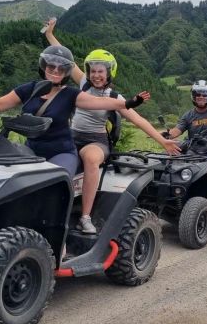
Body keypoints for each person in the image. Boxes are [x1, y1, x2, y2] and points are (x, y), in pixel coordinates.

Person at [44, 18, 180, 233]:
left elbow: (139, 119)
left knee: (90, 159)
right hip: (70, 136)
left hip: (95, 141)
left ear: (109, 73)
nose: (96, 75)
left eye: (101, 71)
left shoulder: (114, 97)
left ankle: (85, 217)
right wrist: (50, 35)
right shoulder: (83, 83)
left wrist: (162, 141)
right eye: (93, 71)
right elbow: (64, 55)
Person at [0, 44, 144, 182]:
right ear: (44, 67)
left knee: (55, 182)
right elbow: (0, 102)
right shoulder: (30, 88)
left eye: (61, 68)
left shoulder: (70, 94)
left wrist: (128, 103)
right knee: (7, 178)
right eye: (51, 66)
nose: (55, 71)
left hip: (61, 152)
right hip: (32, 149)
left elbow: (100, 101)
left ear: (66, 72)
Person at [161, 80, 207, 215]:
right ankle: (170, 193)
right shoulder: (188, 115)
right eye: (198, 94)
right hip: (193, 151)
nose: (201, 97)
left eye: (204, 94)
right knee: (168, 154)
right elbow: (177, 131)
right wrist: (167, 134)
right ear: (193, 96)